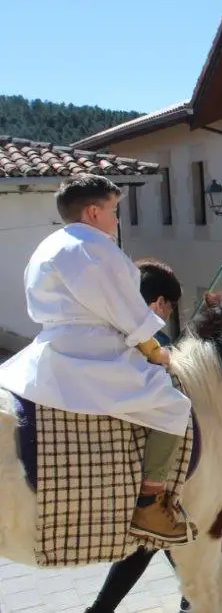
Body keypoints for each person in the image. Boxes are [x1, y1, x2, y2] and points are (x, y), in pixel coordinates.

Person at [0, 174, 193, 543]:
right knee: (173, 405)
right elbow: (127, 313)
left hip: (48, 350)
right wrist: (157, 352)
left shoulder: (48, 246)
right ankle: (149, 504)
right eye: (113, 210)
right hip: (92, 354)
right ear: (92, 212)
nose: (116, 220)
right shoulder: (94, 248)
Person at [87, 258, 194, 613]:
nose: (168, 314)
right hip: (137, 455)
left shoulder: (112, 322)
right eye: (170, 307)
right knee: (175, 407)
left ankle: (195, 593)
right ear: (160, 303)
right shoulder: (151, 337)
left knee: (158, 533)